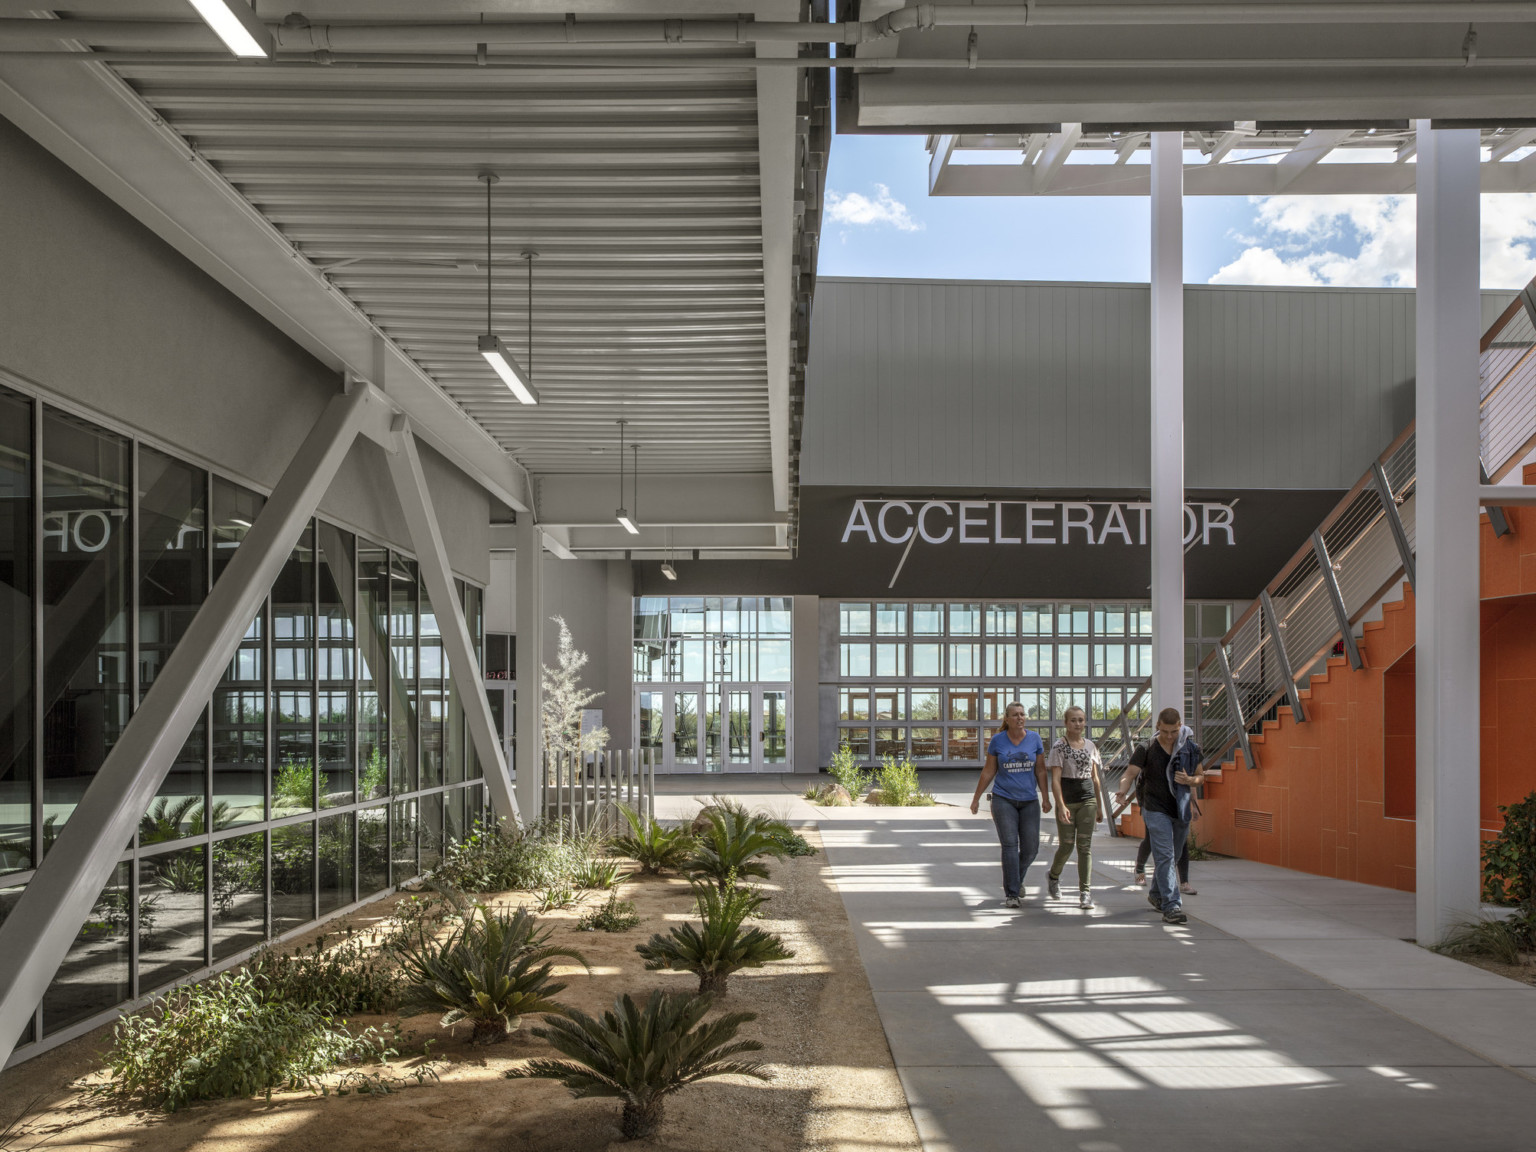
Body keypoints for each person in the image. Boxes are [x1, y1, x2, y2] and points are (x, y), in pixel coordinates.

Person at [1114, 707, 1202, 925]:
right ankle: (1172, 905)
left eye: (1173, 731)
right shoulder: (1146, 748)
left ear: (1180, 726)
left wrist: (1190, 781)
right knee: (1164, 855)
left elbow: (1201, 776)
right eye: (1165, 732)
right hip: (1155, 809)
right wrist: (1122, 791)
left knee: (1174, 855)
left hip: (1181, 810)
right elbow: (1129, 773)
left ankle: (1155, 894)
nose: (1169, 736)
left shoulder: (1191, 749)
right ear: (1157, 728)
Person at [969, 701, 1049, 908]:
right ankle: (1012, 893)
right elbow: (988, 771)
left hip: (1029, 800)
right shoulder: (998, 741)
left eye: (1022, 714)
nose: (1020, 718)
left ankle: (1017, 879)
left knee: (1031, 848)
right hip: (1003, 799)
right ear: (1007, 719)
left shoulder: (1034, 739)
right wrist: (976, 798)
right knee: (1010, 846)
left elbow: (1040, 770)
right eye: (1015, 715)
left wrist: (1046, 797)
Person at [1045, 705, 1107, 909]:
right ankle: (1054, 876)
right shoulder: (1059, 747)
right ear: (1066, 723)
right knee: (1067, 845)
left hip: (1087, 799)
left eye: (1081, 720)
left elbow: (1095, 778)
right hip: (1068, 800)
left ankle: (1085, 892)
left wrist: (1099, 806)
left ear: (1085, 722)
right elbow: (1055, 780)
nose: (1077, 724)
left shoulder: (1091, 746)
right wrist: (1060, 805)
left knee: (1084, 846)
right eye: (1073, 720)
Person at [1133, 826, 1195, 895]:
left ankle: (1184, 882)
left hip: (1177, 815)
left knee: (1181, 840)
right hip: (1155, 815)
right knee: (1150, 838)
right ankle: (1139, 869)